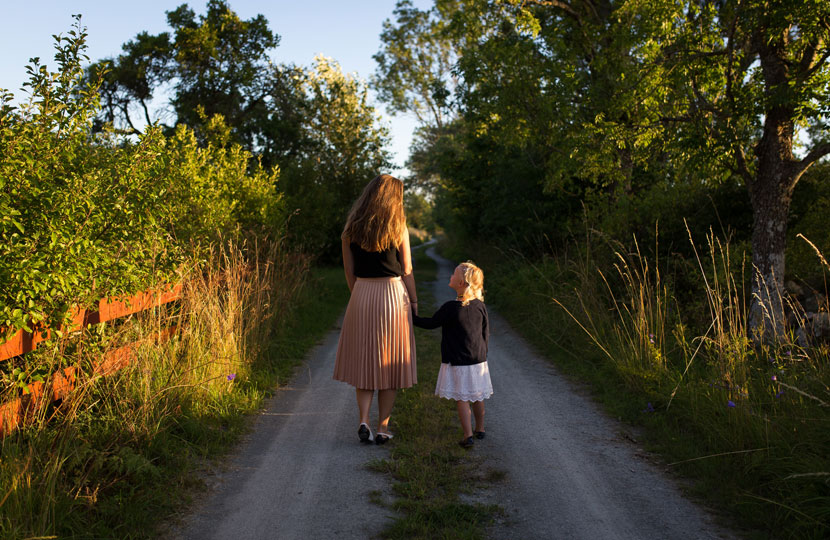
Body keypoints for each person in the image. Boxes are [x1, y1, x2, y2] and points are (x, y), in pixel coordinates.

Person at [333, 174, 418, 445]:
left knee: (365, 362)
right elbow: (406, 269)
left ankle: (363, 421)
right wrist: (414, 301)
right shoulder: (398, 227)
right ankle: (382, 427)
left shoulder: (351, 229)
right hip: (392, 294)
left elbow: (349, 270)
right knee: (390, 363)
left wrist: (358, 294)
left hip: (362, 293)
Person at [412, 261, 492, 448]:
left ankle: (467, 435)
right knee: (477, 396)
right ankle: (480, 429)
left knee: (462, 398)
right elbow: (485, 332)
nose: (450, 276)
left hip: (457, 361)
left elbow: (430, 323)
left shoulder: (450, 308)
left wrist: (411, 317)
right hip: (478, 360)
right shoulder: (480, 306)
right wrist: (483, 354)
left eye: (453, 274)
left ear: (462, 283)